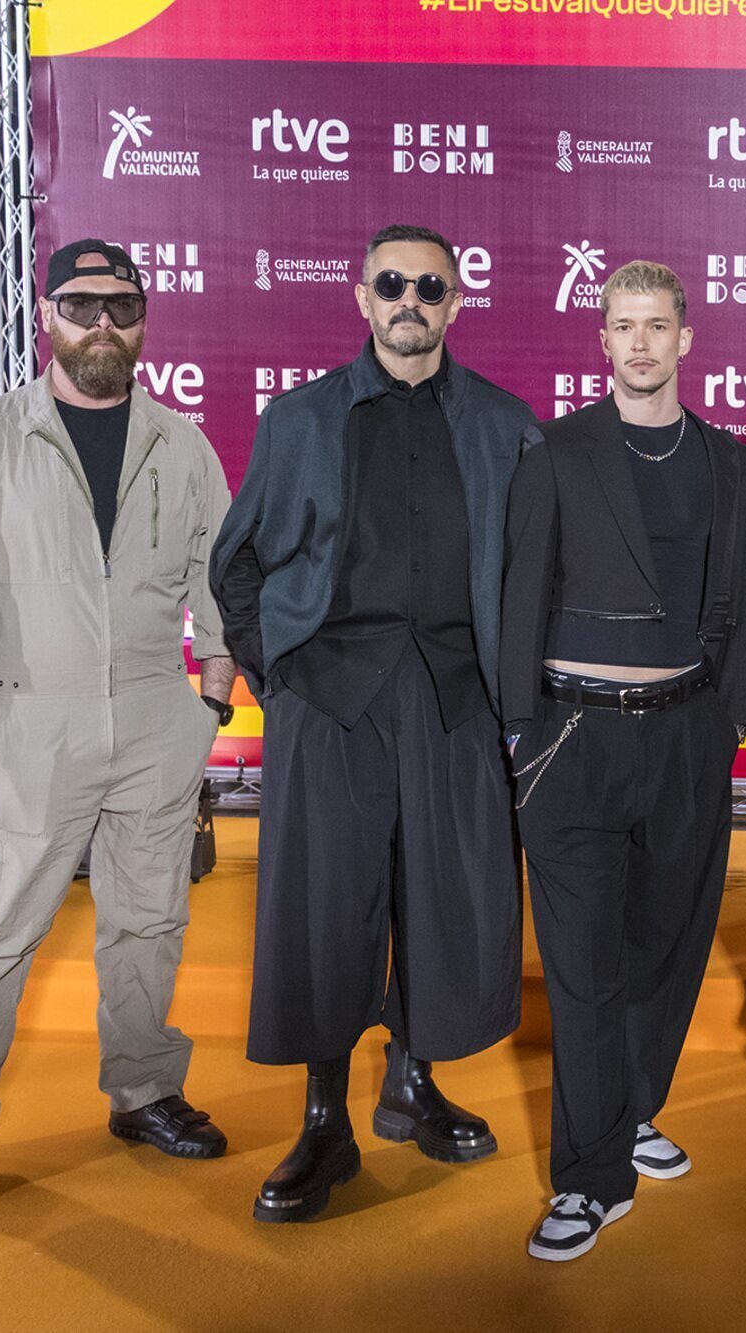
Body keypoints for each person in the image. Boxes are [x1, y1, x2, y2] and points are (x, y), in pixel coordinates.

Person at [0, 240, 236, 1218]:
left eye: (121, 305)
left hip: (156, 721)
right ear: (46, 315)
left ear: (142, 317)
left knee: (150, 923)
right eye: (81, 305)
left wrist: (208, 695)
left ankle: (146, 1090)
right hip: (27, 720)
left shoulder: (180, 442)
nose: (102, 324)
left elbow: (223, 574)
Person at [210, 224, 532, 1224]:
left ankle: (413, 1082)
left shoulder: (502, 424)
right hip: (329, 702)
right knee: (322, 910)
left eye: (429, 288)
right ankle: (323, 1118)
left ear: (455, 302)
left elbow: (532, 572)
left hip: (452, 702)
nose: (409, 301)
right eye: (391, 283)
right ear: (360, 297)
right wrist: (283, 671)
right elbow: (238, 564)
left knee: (441, 904)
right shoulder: (299, 419)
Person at [501, 260, 746, 1261]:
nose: (641, 341)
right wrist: (519, 737)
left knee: (666, 946)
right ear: (602, 341)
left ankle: (627, 1108)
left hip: (687, 737)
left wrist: (727, 728)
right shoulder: (558, 451)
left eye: (658, 324)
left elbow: (743, 596)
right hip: (574, 739)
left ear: (685, 338)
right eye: (624, 325)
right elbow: (520, 591)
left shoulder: (727, 461)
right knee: (582, 966)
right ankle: (589, 1175)